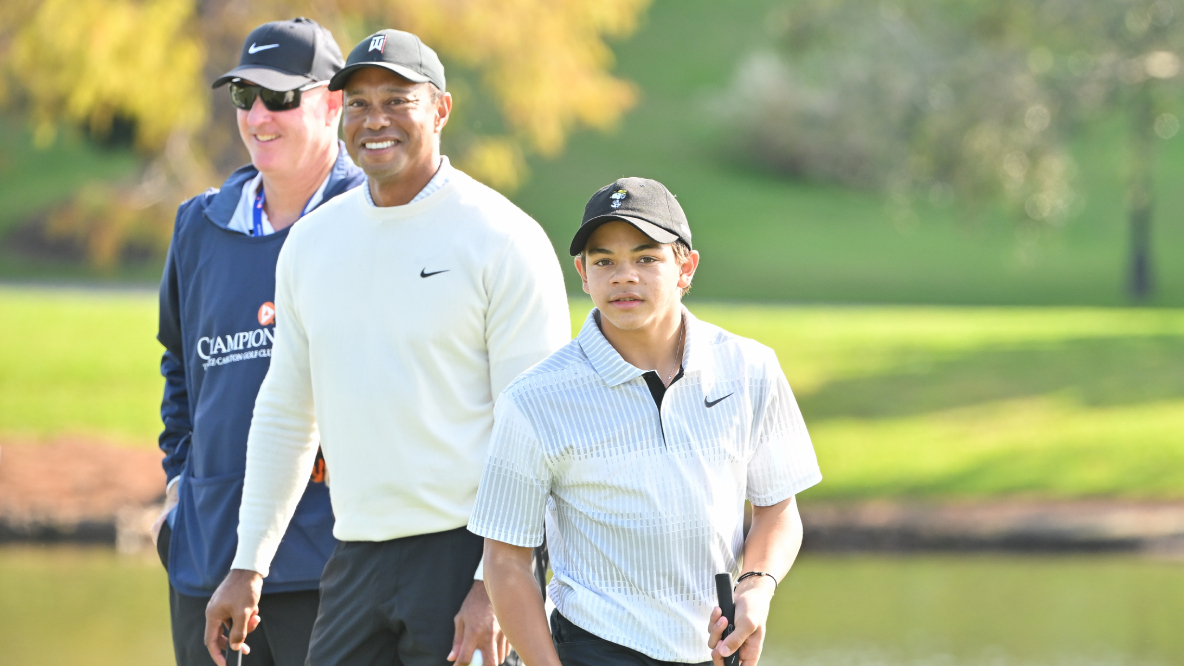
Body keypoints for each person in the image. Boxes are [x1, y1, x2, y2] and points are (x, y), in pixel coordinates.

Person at [202, 29, 571, 666]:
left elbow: (537, 430)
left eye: (397, 101)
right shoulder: (312, 243)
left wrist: (496, 582)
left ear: (441, 110)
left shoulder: (504, 238)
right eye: (359, 104)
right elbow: (287, 413)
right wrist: (249, 562)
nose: (375, 120)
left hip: (468, 554)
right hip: (355, 555)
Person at [469, 177, 823, 666]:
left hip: (716, 649)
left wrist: (756, 588)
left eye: (646, 258)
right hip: (595, 648)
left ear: (685, 267)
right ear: (583, 273)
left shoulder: (750, 368)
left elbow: (777, 509)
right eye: (604, 261)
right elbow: (505, 561)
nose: (623, 276)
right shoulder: (533, 399)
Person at [155, 17, 365, 666]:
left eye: (280, 96)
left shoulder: (374, 220)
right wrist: (179, 484)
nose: (258, 117)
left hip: (330, 566)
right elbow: (180, 366)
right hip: (206, 562)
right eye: (245, 96)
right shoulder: (198, 225)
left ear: (333, 103)